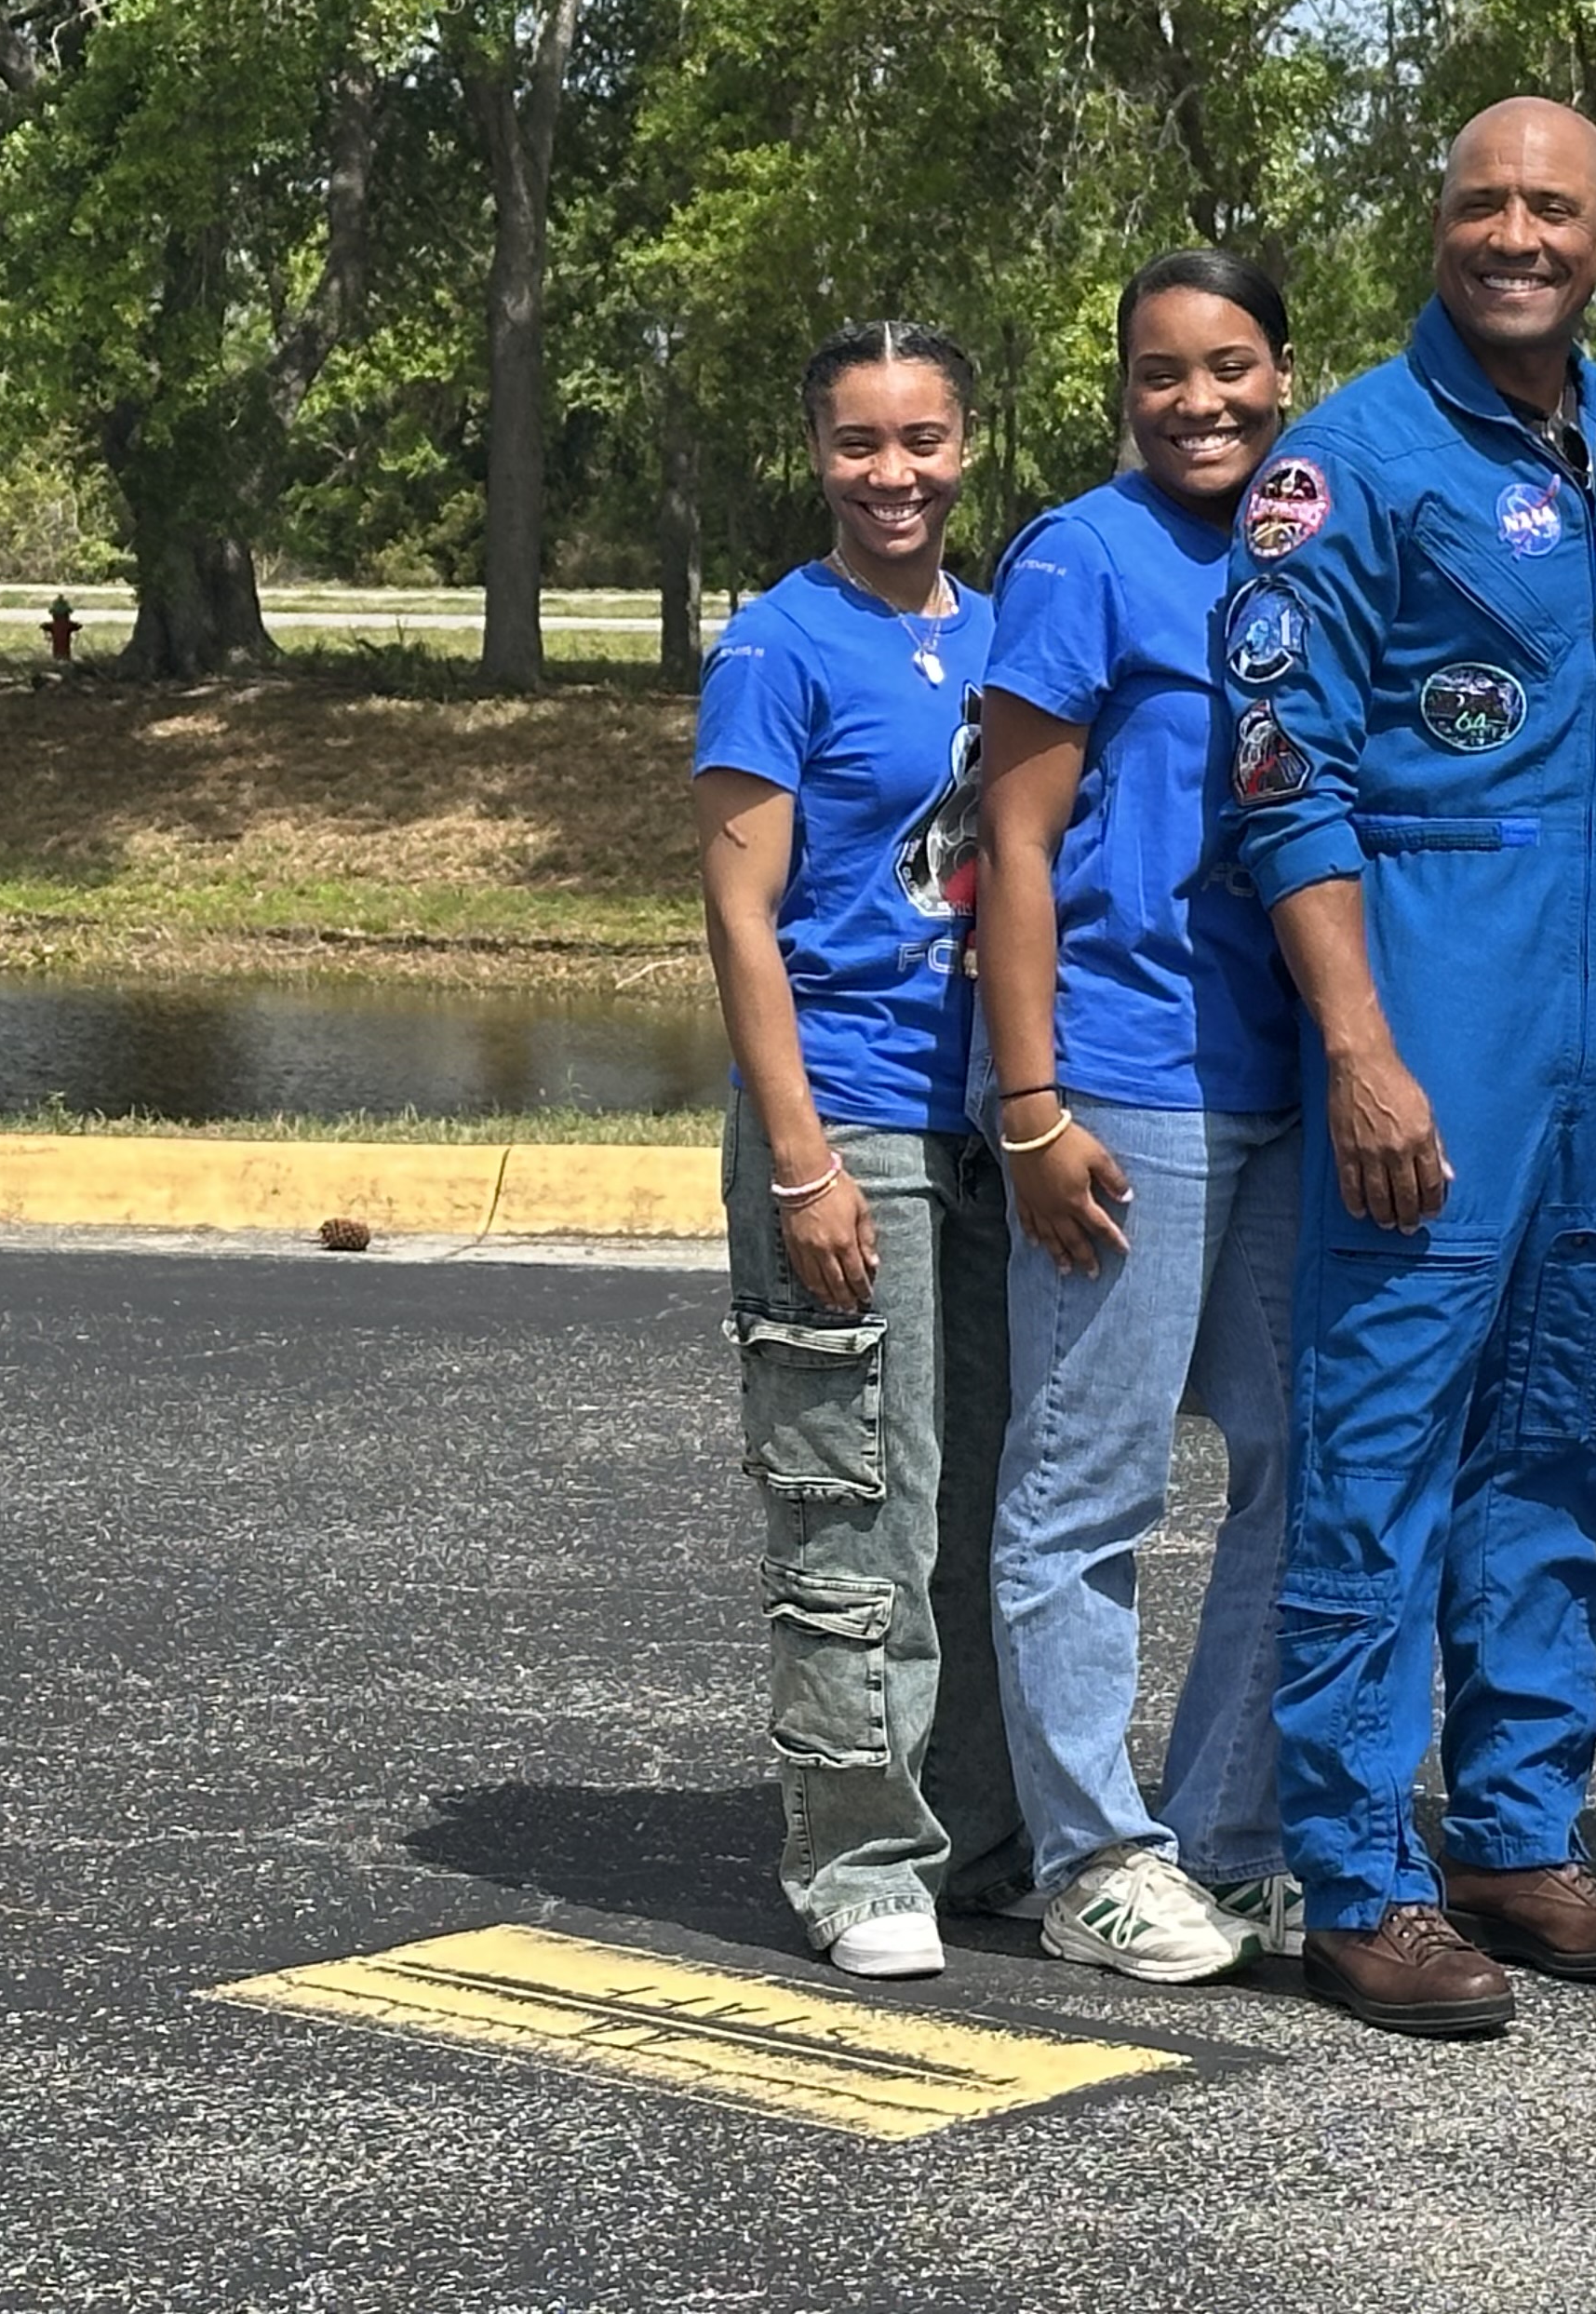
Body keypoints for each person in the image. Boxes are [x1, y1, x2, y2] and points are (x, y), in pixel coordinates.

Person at [1218, 96, 1596, 2038]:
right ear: (1440, 219)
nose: (1519, 232)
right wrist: (1361, 1048)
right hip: (1432, 1000)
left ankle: (1514, 1829)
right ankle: (1354, 1875)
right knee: (1384, 1439)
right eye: (1487, 200)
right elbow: (1282, 774)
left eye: (1555, 207)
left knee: (1572, 1433)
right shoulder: (1342, 466)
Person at [971, 251, 1308, 1984]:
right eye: (1164, 374)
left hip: (1280, 1077)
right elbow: (1012, 841)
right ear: (1123, 388)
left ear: (1282, 371)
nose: (1202, 404)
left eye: (1233, 367)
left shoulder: (1301, 550)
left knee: (1297, 1459)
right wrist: (1029, 1101)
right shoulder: (1079, 558)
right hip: (1119, 1072)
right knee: (1089, 1484)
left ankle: (1229, 1834)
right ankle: (1090, 1853)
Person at [694, 320, 1026, 1980]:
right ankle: (858, 1857)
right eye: (858, 444)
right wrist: (803, 1164)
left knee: (985, 1508)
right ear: (815, 454)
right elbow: (743, 925)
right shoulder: (776, 648)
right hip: (851, 1118)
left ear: (970, 443)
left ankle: (982, 1837)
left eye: (922, 440)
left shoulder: (1007, 633)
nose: (892, 475)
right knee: (857, 1508)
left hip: (993, 1124)